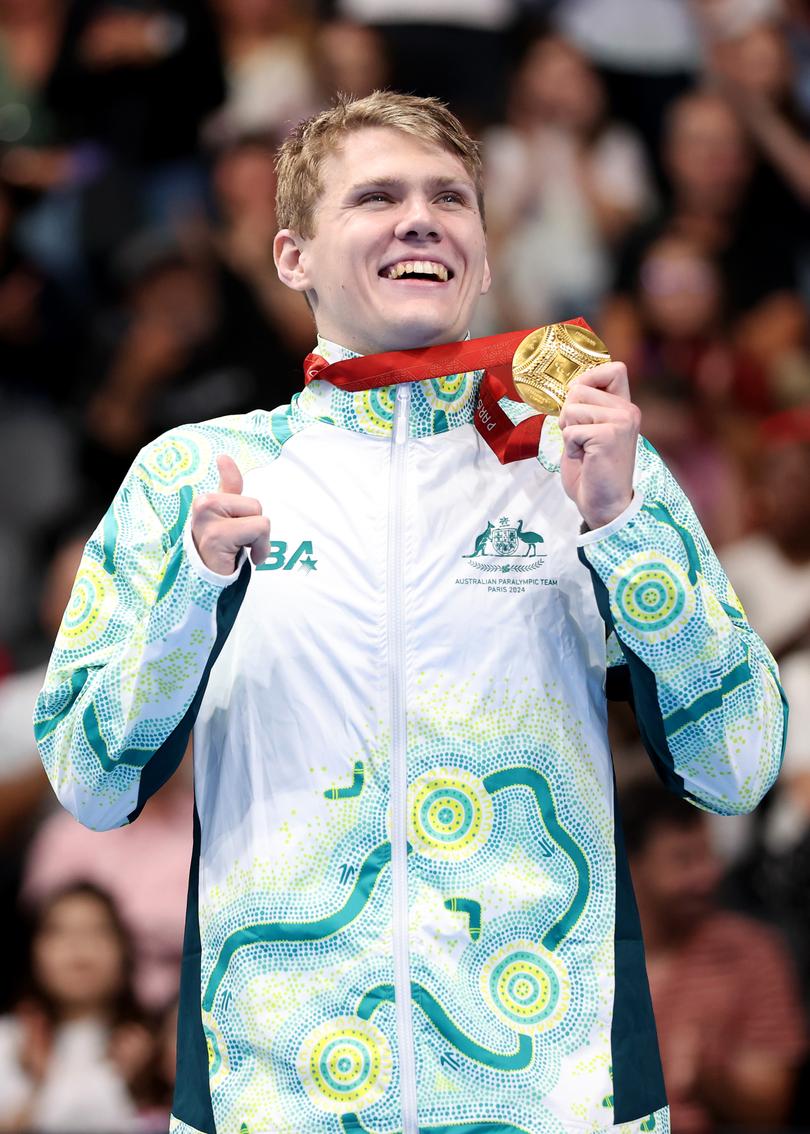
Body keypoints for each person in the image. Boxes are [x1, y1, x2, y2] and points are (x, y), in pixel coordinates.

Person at [34, 91, 786, 1134]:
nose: (421, 217)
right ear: (293, 256)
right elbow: (89, 779)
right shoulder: (193, 478)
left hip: (552, 1093)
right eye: (377, 196)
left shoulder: (583, 465)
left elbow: (738, 765)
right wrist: (191, 596)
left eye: (450, 197)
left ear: (481, 246)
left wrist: (622, 529)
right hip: (278, 1092)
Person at [623, 778, 806, 1132]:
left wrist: (708, 1078)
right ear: (631, 865)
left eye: (708, 854)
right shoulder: (584, 958)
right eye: (683, 860)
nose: (708, 875)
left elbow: (770, 1108)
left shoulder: (752, 952)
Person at [0, 882, 154, 1132]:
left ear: (125, 950)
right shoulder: (11, 1041)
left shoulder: (152, 1047)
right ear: (34, 951)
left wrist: (146, 1088)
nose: (79, 944)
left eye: (98, 930)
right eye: (60, 931)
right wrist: (39, 1084)